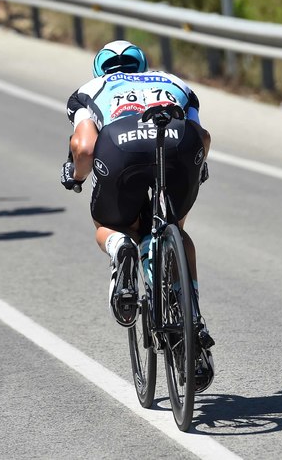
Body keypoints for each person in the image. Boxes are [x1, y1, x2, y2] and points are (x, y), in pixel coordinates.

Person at [60, 40, 214, 392]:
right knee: (175, 230)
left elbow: (84, 147)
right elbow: (203, 137)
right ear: (142, 65)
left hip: (122, 145)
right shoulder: (174, 82)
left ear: (100, 69)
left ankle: (121, 247)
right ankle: (191, 318)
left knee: (109, 224)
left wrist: (76, 176)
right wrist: (197, 166)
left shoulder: (90, 89)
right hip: (179, 144)